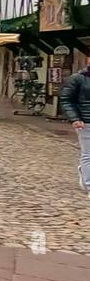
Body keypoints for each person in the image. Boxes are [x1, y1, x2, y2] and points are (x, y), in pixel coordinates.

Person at [58, 64, 90, 193]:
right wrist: (75, 118)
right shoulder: (78, 78)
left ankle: (84, 171)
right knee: (88, 154)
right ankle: (89, 184)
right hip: (86, 122)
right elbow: (66, 99)